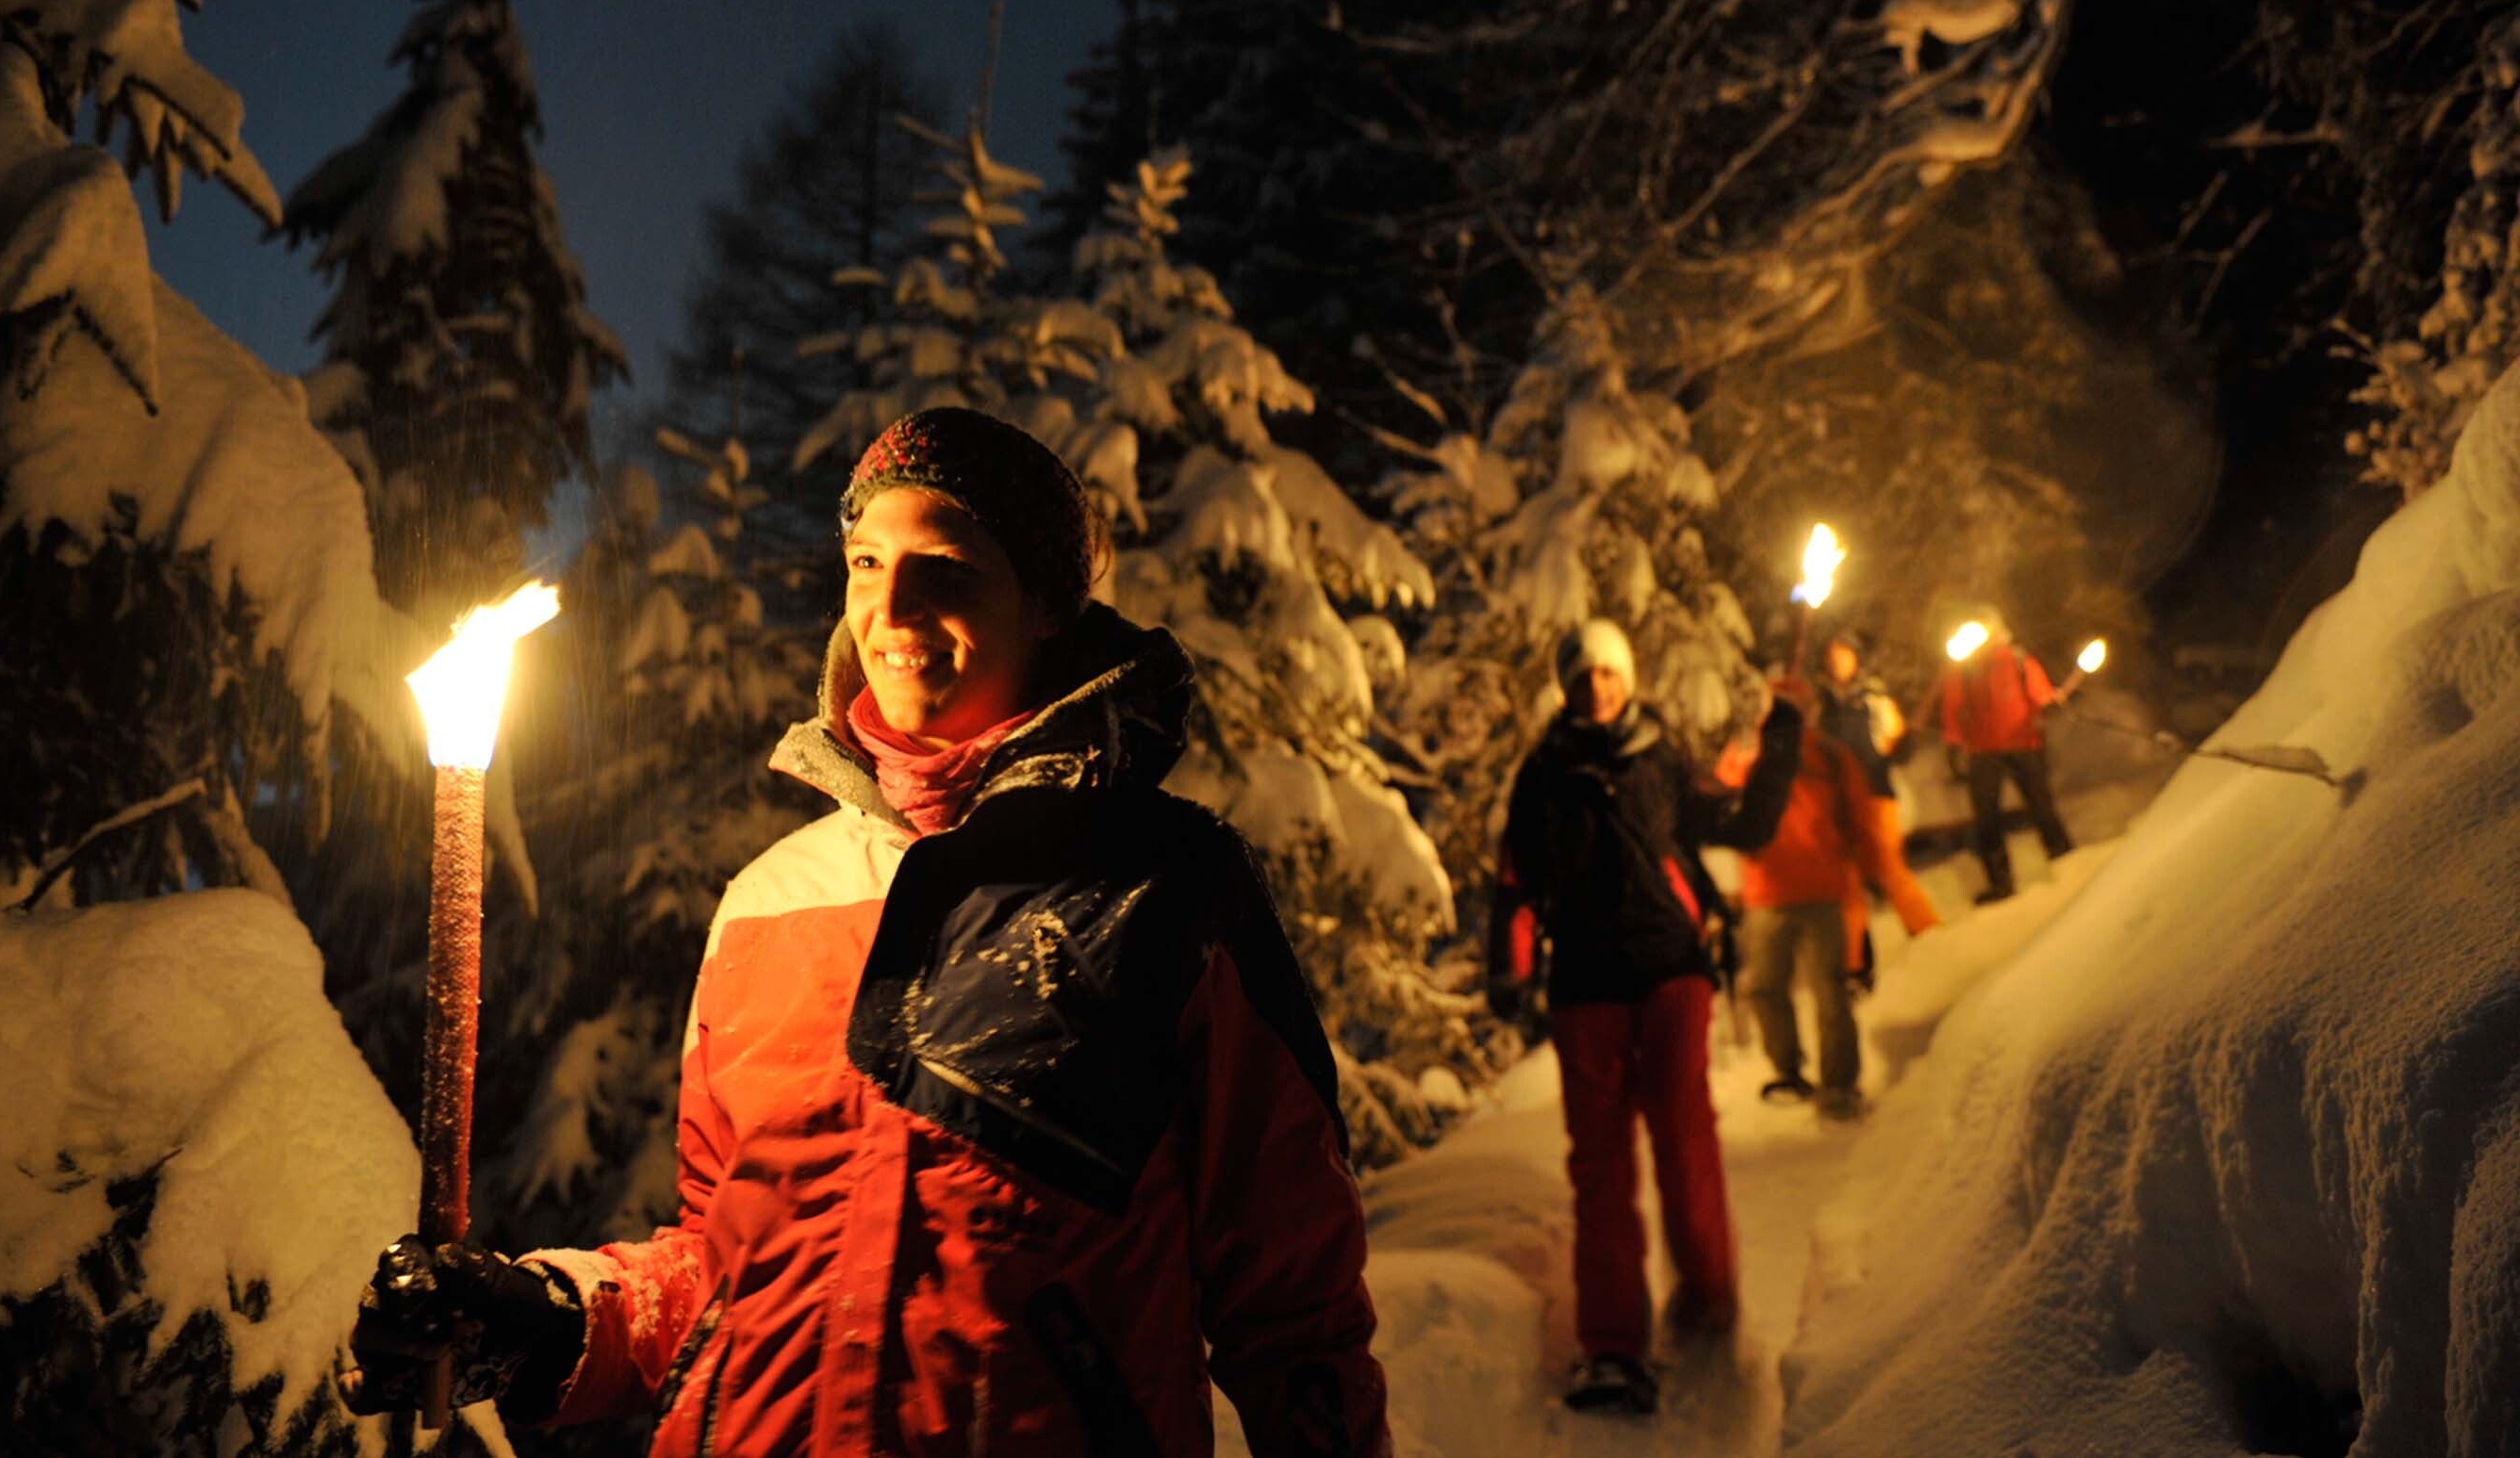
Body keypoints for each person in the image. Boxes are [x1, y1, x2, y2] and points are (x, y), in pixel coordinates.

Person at [340, 408, 1392, 1457]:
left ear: (1044, 607)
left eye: (948, 567)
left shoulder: (1163, 888)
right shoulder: (769, 899)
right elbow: (726, 1263)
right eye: (867, 560)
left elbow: (1296, 1312)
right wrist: (551, 1320)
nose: (892, 607)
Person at [1488, 620, 1804, 1415]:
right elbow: (1515, 881)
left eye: (1606, 672)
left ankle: (1709, 1297)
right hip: (1586, 983)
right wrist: (1509, 968)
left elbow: (1745, 826)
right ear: (1564, 686)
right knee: (1599, 1166)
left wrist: (1783, 739)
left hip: (1670, 969)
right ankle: (1612, 1344)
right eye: (1581, 674)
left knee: (1682, 1136)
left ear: (1625, 678)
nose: (1596, 685)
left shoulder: (1661, 759)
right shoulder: (1543, 774)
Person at [1721, 677, 1882, 1122]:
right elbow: (1722, 806)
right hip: (1766, 893)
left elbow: (1860, 817)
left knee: (1830, 991)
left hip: (1820, 890)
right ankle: (1790, 1071)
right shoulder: (1746, 754)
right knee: (1767, 989)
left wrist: (1867, 874)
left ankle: (1839, 1086)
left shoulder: (1829, 756)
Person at [1818, 631, 1942, 979]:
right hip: (1839, 807)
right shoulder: (1822, 705)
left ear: (1856, 658)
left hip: (1874, 798)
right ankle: (1854, 965)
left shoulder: (1873, 699)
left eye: (1843, 654)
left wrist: (1905, 744)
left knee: (1889, 870)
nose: (1836, 661)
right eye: (1831, 655)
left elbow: (1895, 742)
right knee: (1846, 885)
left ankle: (1928, 933)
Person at [1936, 610, 2074, 903]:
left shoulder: (2017, 660)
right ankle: (2001, 882)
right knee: (1987, 820)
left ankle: (2065, 861)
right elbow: (1953, 707)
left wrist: (2049, 704)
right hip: (1983, 751)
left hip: (2024, 744)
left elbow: (2040, 696)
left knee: (2042, 807)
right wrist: (1953, 742)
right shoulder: (1963, 669)